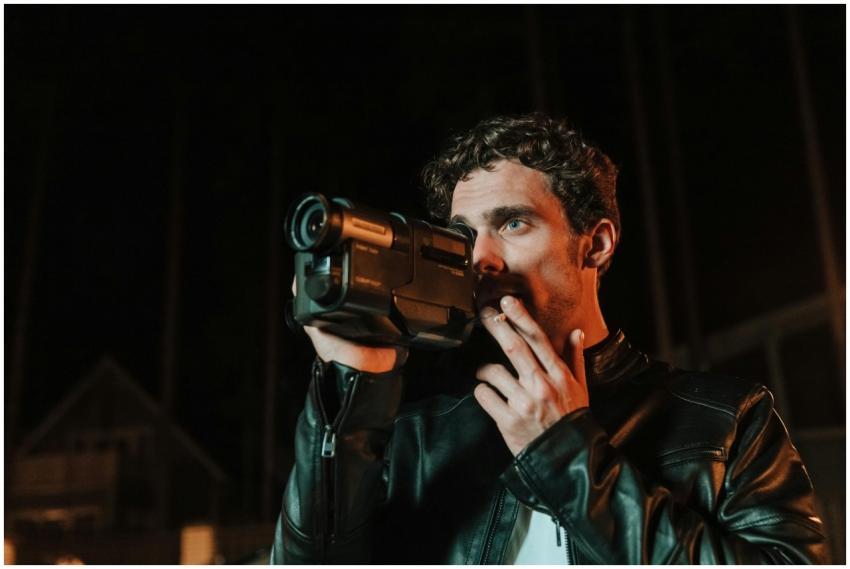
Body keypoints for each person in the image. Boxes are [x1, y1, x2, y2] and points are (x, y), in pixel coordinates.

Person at [271, 114, 828, 564]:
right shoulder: (415, 431)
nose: (481, 257)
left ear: (597, 245)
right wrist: (352, 396)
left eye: (513, 223)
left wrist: (567, 456)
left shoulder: (725, 421)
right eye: (464, 234)